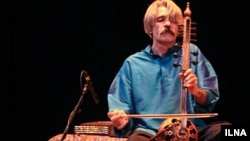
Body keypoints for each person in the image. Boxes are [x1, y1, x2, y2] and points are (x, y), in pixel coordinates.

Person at [107, 0, 231, 141]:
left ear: (179, 28)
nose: (167, 24)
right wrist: (121, 118)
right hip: (150, 133)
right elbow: (121, 106)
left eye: (173, 21)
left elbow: (209, 99)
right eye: (161, 19)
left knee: (233, 132)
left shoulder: (191, 52)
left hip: (192, 130)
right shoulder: (133, 63)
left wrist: (196, 91)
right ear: (149, 28)